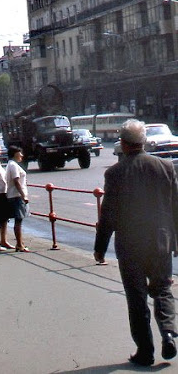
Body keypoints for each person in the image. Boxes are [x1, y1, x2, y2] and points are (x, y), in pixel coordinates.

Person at [94, 119, 178, 366]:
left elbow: (108, 213)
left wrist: (100, 248)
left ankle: (145, 351)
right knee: (163, 289)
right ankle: (169, 333)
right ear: (143, 142)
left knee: (137, 298)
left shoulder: (115, 172)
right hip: (160, 241)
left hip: (130, 244)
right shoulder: (165, 167)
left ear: (123, 143)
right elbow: (176, 207)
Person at [6, 146, 30, 252]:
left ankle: (20, 243)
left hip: (14, 195)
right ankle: (19, 244)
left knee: (18, 220)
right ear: (15, 154)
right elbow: (16, 181)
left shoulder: (11, 165)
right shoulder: (13, 165)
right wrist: (23, 195)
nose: (22, 155)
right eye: (20, 153)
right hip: (16, 196)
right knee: (18, 220)